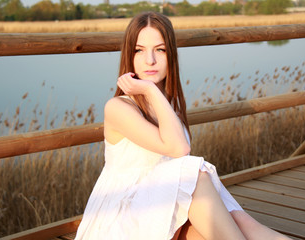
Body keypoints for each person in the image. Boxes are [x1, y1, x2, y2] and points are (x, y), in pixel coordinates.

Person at [75, 11, 291, 240]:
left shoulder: (168, 109)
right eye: (140, 50)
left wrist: (155, 96)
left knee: (240, 221)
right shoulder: (118, 108)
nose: (150, 60)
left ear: (171, 55)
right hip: (126, 213)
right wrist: (148, 89)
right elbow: (179, 149)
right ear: (129, 55)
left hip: (163, 205)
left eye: (160, 50)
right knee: (195, 174)